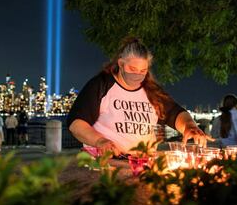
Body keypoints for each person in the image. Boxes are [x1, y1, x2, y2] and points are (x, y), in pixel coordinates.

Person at [67, 37, 212, 156]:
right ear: (121, 64)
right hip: (106, 163)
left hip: (143, 162)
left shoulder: (151, 91)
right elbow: (76, 123)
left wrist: (190, 126)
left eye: (143, 70)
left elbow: (176, 113)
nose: (137, 75)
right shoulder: (102, 85)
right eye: (132, 69)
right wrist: (100, 141)